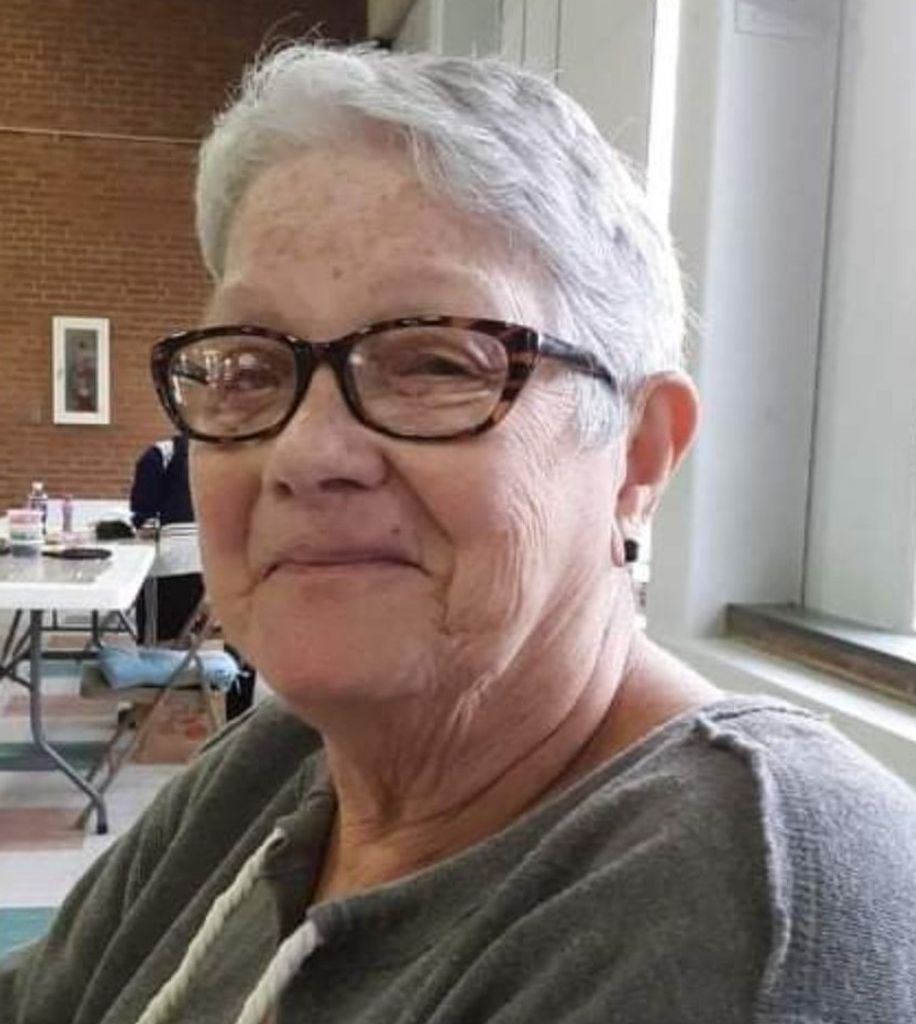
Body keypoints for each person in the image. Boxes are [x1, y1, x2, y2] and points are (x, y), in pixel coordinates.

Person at [3, 44, 916, 1024]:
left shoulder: (755, 908)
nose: (306, 452)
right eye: (252, 369)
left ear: (638, 457)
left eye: (434, 364)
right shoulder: (274, 767)